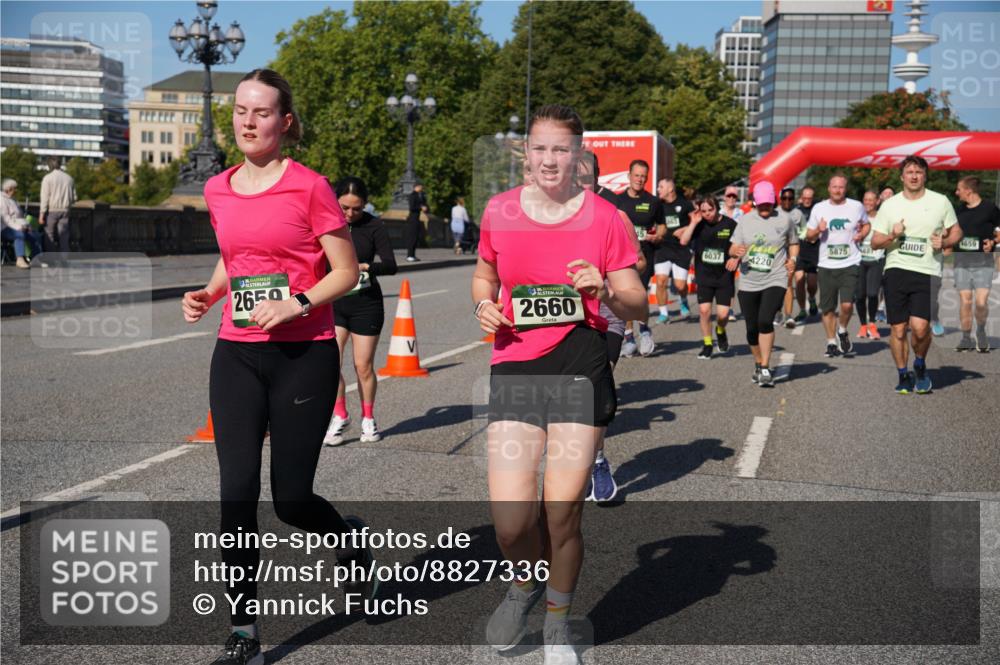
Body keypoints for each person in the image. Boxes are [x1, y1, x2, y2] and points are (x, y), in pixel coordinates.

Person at [180, 69, 376, 665]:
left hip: (303, 353)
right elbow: (234, 257)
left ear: (284, 122)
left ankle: (349, 543)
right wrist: (210, 294)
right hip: (236, 352)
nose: (246, 120)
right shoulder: (217, 189)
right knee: (235, 493)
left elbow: (347, 272)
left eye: (261, 112)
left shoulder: (311, 188)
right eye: (240, 110)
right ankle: (244, 631)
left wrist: (296, 302)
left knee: (290, 499)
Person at [472, 104, 645, 664]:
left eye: (561, 149)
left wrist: (606, 290)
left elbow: (640, 301)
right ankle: (523, 585)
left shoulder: (605, 218)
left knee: (562, 509)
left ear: (578, 154)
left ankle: (556, 623)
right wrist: (482, 304)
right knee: (511, 521)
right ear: (527, 151)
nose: (550, 159)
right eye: (540, 148)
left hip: (579, 360)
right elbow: (486, 274)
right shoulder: (499, 210)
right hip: (517, 363)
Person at [577, 149, 643, 502]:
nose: (580, 180)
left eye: (586, 174)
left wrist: (611, 276)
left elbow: (639, 262)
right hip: (567, 316)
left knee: (595, 391)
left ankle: (597, 461)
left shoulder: (616, 216)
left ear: (597, 177)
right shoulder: (551, 217)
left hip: (607, 315)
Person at [871, 155, 961, 394]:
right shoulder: (890, 205)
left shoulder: (940, 202)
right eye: (909, 172)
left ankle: (919, 364)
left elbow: (957, 232)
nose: (913, 176)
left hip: (928, 271)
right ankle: (903, 374)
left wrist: (945, 241)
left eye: (918, 172)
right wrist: (892, 235)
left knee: (920, 328)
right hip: (896, 270)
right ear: (902, 177)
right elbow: (875, 242)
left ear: (925, 176)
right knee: (898, 329)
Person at [324, 176, 397, 446]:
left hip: (366, 303)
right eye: (344, 207)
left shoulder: (374, 225)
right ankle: (340, 415)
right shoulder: (328, 224)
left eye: (356, 208)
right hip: (335, 301)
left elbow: (390, 265)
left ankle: (368, 417)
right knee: (330, 363)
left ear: (364, 205)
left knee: (362, 365)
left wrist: (364, 267)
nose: (350, 214)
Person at [730, 181, 798, 387]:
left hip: (775, 277)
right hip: (749, 280)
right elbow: (732, 247)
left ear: (774, 201)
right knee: (751, 328)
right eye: (761, 204)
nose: (765, 208)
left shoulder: (785, 220)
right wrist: (736, 252)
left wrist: (792, 259)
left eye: (769, 204)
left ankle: (766, 367)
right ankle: (759, 363)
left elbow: (794, 243)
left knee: (765, 320)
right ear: (754, 203)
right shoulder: (745, 220)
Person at [805, 174, 869, 358]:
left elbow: (867, 225)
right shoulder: (819, 208)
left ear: (845, 189)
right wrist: (819, 230)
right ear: (829, 188)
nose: (837, 190)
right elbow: (809, 236)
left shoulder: (856, 206)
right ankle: (831, 341)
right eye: (834, 187)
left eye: (841, 187)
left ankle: (842, 329)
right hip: (826, 264)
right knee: (828, 308)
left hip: (850, 262)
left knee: (847, 305)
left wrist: (862, 234)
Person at [678, 194, 739, 359]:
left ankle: (720, 330)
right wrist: (693, 222)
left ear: (717, 208)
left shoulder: (730, 224)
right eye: (703, 211)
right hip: (704, 274)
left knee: (723, 315)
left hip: (724, 275)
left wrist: (735, 258)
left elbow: (741, 245)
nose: (707, 214)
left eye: (710, 210)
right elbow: (683, 241)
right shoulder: (699, 225)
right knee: (704, 311)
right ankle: (707, 344)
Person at [617, 161, 664, 357]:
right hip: (621, 257)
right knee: (625, 297)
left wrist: (658, 236)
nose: (640, 179)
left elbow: (662, 226)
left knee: (641, 296)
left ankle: (644, 332)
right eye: (636, 175)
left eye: (643, 176)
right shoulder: (617, 201)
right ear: (629, 176)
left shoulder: (653, 202)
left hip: (643, 256)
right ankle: (628, 338)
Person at [952, 176, 999, 352]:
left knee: (981, 302)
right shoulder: (959, 211)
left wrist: (994, 242)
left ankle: (980, 331)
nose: (956, 193)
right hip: (961, 263)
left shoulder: (990, 209)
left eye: (959, 189)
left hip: (984, 263)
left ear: (968, 191)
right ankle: (966, 338)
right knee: (965, 301)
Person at [655, 178, 695, 322]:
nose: (658, 189)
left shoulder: (685, 204)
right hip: (663, 247)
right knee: (660, 281)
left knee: (680, 285)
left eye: (661, 187)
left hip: (681, 249)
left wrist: (684, 229)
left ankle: (683, 300)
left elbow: (696, 220)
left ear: (670, 189)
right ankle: (663, 313)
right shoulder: (658, 205)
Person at [855, 190, 886, 340]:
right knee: (860, 295)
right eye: (865, 199)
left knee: (873, 293)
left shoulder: (883, 217)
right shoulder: (857, 216)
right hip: (859, 260)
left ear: (877, 202)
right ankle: (863, 325)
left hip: (876, 260)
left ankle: (872, 324)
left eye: (871, 200)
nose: (867, 202)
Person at [778, 187, 806, 328]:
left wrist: (799, 236)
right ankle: (777, 311)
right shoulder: (775, 213)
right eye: (784, 198)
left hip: (793, 251)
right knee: (780, 282)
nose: (787, 201)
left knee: (790, 281)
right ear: (780, 199)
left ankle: (788, 315)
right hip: (778, 252)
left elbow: (805, 229)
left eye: (790, 198)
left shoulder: (798, 214)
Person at [1, 178, 43, 268]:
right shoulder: (1, 200)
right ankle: (20, 259)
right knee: (19, 234)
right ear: (8, 189)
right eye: (14, 188)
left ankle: (35, 259)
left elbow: (20, 217)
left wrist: (27, 225)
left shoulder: (14, 200)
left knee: (35, 235)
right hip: (5, 228)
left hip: (17, 226)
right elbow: (6, 219)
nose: (16, 191)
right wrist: (19, 227)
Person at [39, 156, 76, 259]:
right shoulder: (69, 178)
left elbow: (45, 198)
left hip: (52, 210)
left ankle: (51, 258)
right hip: (65, 210)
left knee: (49, 235)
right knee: (64, 235)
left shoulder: (47, 178)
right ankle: (64, 258)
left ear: (49, 165)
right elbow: (74, 198)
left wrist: (41, 215)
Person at [793, 186, 819, 323]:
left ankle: (812, 298)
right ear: (801, 197)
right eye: (805, 198)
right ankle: (802, 310)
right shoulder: (796, 211)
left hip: (814, 251)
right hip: (799, 250)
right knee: (799, 279)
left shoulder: (818, 210)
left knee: (812, 284)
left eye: (810, 198)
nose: (807, 200)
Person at [405, 182, 428, 262]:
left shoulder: (420, 195)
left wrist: (425, 207)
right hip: (412, 219)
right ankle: (409, 255)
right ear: (417, 187)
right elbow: (412, 207)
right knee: (412, 237)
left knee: (416, 237)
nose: (422, 188)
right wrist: (421, 208)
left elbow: (424, 204)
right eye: (421, 187)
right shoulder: (412, 195)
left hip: (417, 218)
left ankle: (413, 255)